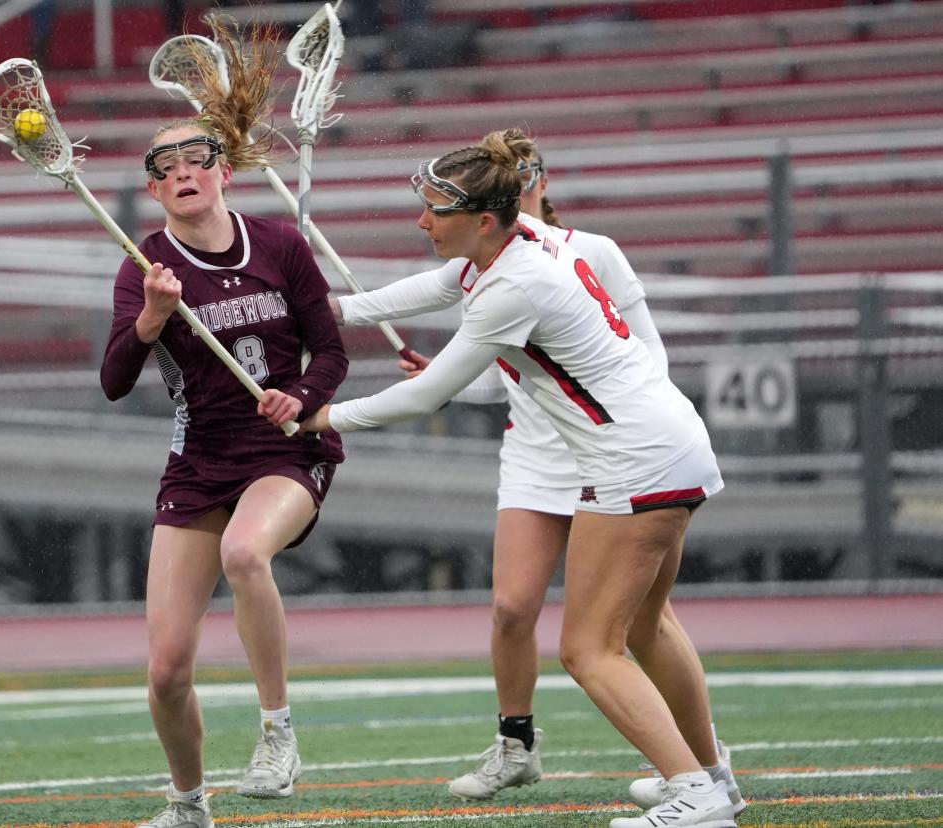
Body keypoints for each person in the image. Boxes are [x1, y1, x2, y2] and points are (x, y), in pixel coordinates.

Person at [268, 133, 738, 828]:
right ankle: (714, 780)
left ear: (484, 220)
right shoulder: (520, 248)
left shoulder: (512, 284)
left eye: (433, 212)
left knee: (588, 649)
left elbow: (425, 398)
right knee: (640, 628)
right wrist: (325, 310)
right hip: (664, 444)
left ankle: (695, 795)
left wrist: (320, 417)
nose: (420, 222)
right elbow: (426, 290)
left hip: (635, 460)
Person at [99, 22, 347, 828]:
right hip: (199, 459)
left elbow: (333, 352)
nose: (179, 173)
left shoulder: (280, 243)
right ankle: (189, 804)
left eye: (194, 159)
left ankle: (277, 733)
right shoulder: (145, 267)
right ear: (155, 190)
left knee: (247, 551)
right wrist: (151, 319)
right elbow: (112, 382)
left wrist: (301, 397)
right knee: (167, 669)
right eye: (162, 168)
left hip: (286, 448)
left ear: (226, 172)